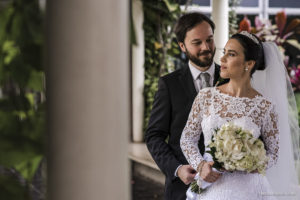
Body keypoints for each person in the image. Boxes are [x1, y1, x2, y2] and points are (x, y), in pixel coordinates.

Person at [180, 31, 300, 200]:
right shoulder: (206, 96)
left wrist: (251, 161)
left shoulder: (265, 107)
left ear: (249, 64)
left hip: (250, 190)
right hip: (211, 186)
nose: (222, 59)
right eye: (224, 53)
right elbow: (187, 139)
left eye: (231, 54)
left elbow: (273, 154)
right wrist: (201, 165)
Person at [145, 12, 227, 200]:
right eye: (197, 43)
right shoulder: (169, 85)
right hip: (183, 189)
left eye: (209, 40)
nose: (206, 47)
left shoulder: (232, 80)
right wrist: (177, 169)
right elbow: (154, 136)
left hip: (225, 186)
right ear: (182, 46)